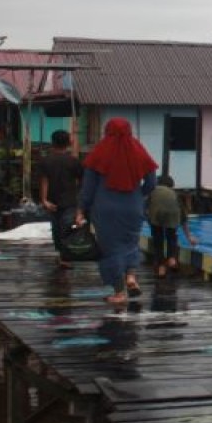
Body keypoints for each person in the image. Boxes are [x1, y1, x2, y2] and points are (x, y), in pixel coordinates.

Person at [75, 118, 158, 305]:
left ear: (107, 131)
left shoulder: (99, 152)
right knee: (131, 243)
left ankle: (119, 292)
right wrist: (138, 195)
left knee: (110, 250)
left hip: (105, 210)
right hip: (133, 207)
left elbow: (88, 189)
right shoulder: (138, 150)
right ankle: (131, 276)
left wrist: (81, 210)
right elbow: (152, 183)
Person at [35, 130, 83, 268]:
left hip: (52, 200)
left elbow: (44, 181)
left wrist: (44, 199)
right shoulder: (73, 161)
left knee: (56, 228)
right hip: (70, 200)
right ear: (68, 143)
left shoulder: (46, 161)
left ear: (52, 142)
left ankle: (62, 255)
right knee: (66, 227)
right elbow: (82, 181)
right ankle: (65, 256)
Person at [147, 174, 198, 277]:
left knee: (158, 239)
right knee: (172, 235)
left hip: (156, 214)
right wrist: (189, 237)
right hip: (173, 213)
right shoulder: (174, 194)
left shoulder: (153, 191)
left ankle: (161, 267)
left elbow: (145, 208)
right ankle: (172, 259)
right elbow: (183, 218)